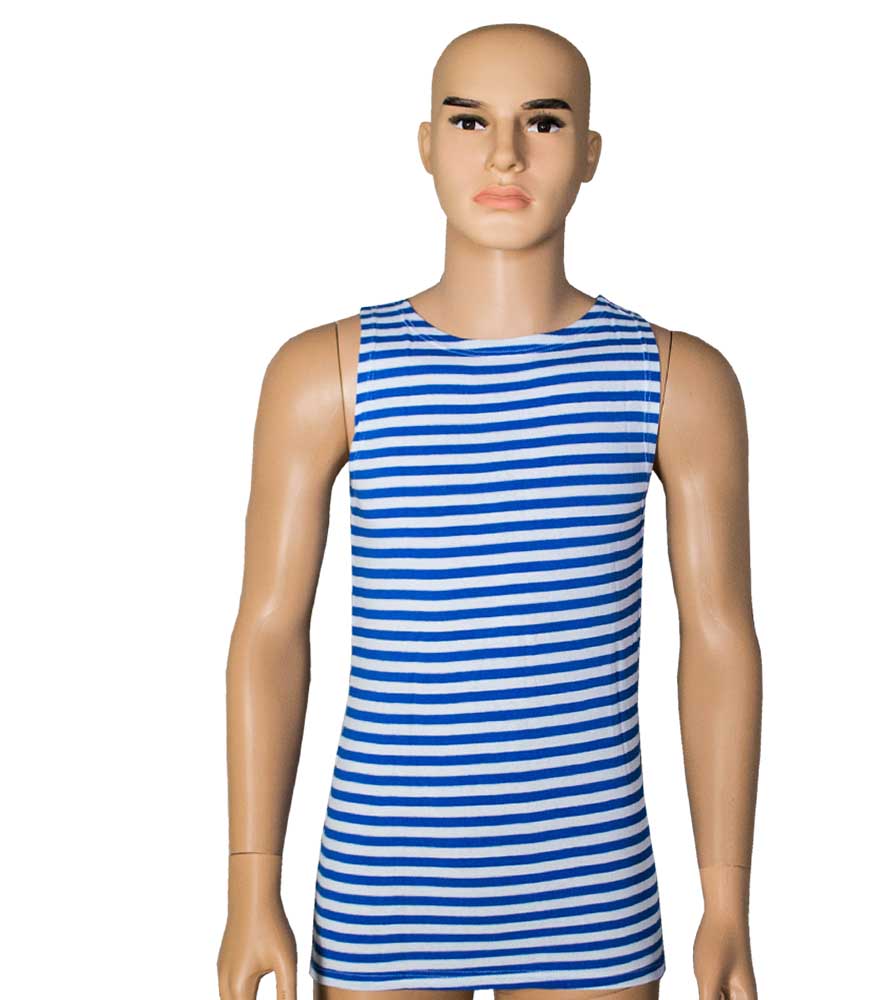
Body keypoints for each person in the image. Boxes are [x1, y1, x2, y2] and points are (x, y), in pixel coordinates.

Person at [218, 22, 761, 1000]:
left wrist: (726, 900)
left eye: (542, 123)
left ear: (590, 152)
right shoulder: (328, 373)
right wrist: (250, 883)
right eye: (470, 122)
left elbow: (719, 638)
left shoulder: (675, 378)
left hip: (592, 888)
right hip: (384, 882)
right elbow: (267, 630)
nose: (505, 154)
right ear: (427, 145)